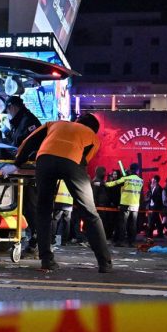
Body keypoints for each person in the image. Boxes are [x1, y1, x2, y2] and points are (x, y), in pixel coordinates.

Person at [13, 113, 112, 273]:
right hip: (72, 163)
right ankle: (104, 263)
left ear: (76, 121)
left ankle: (46, 260)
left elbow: (29, 141)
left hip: (44, 160)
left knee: (44, 210)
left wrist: (18, 162)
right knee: (90, 213)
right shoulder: (93, 137)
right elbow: (84, 161)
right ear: (94, 129)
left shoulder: (55, 124)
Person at [2, 95, 42, 256]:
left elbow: (29, 145)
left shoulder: (28, 122)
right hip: (23, 169)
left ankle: (37, 239)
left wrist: (16, 163)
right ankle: (34, 239)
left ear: (12, 107)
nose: (8, 114)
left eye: (8, 110)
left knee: (31, 206)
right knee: (25, 206)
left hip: (29, 171)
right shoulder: (20, 122)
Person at [105, 163, 143, 248]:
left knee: (123, 224)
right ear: (137, 170)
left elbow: (114, 183)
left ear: (130, 169)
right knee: (133, 225)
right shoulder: (141, 180)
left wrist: (105, 183)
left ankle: (121, 241)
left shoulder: (126, 179)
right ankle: (132, 242)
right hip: (135, 205)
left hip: (125, 204)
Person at [52, 180, 73, 246]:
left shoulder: (59, 179)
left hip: (59, 201)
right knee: (67, 222)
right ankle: (64, 241)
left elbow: (54, 189)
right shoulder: (70, 179)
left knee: (55, 220)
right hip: (69, 202)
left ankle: (52, 239)